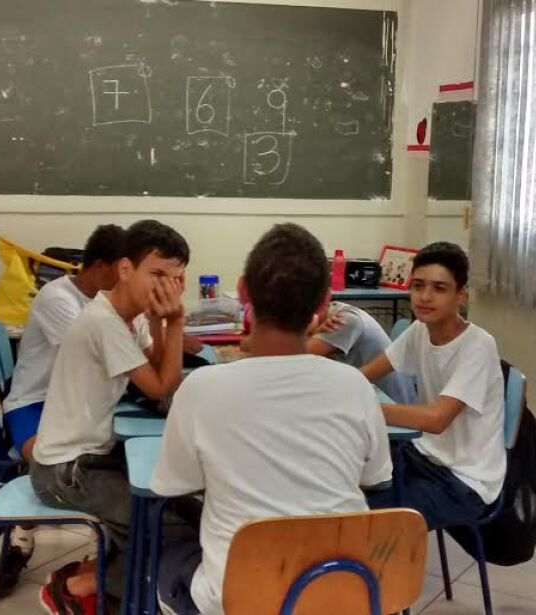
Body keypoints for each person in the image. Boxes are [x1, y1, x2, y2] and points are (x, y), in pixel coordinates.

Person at [151, 224, 393, 615]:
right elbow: (376, 477)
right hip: (338, 591)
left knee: (162, 543)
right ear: (324, 303)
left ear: (243, 291)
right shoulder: (356, 387)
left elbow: (174, 484)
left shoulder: (199, 389)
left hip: (239, 599)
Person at [30, 220, 195, 614]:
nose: (166, 287)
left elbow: (156, 363)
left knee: (182, 504)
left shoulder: (128, 317)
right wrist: (176, 322)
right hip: (64, 469)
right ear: (125, 269)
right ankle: (77, 587)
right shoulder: (104, 322)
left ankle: (101, 569)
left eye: (176, 279)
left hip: (91, 456)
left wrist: (157, 321)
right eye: (157, 274)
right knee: (170, 525)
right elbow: (161, 387)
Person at [0, 224, 125, 599]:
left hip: (73, 403)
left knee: (112, 456)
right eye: (121, 270)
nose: (124, 279)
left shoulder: (101, 301)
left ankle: (105, 548)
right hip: (32, 404)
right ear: (100, 266)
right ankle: (19, 542)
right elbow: (93, 358)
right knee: (57, 461)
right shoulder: (57, 298)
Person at [360, 242, 506, 530]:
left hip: (464, 481)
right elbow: (365, 375)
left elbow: (436, 420)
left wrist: (366, 406)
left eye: (439, 288)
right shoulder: (419, 330)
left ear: (461, 295)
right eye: (418, 286)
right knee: (342, 481)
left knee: (361, 517)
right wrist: (332, 386)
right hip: (422, 454)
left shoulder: (478, 346)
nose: (425, 297)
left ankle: (378, 556)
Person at [306, 295, 417, 404]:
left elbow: (297, 356)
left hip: (392, 403)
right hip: (362, 393)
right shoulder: (325, 317)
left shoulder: (344, 319)